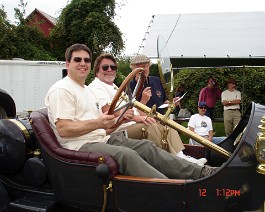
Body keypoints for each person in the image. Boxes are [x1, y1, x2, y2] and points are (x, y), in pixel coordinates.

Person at [45, 43, 216, 180]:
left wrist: (118, 121)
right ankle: (172, 190)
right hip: (79, 146)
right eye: (77, 60)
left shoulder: (87, 91)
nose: (83, 63)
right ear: (68, 63)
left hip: (103, 137)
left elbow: (104, 126)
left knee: (146, 147)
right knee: (127, 155)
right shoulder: (62, 89)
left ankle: (200, 173)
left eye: (86, 60)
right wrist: (100, 122)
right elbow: (64, 129)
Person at [87, 53, 207, 166]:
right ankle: (175, 163)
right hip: (117, 130)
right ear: (96, 71)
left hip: (133, 122)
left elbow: (130, 108)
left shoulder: (114, 87)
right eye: (105, 67)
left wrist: (168, 104)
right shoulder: (101, 87)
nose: (110, 70)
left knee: (168, 125)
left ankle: (181, 157)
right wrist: (138, 114)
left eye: (113, 67)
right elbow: (111, 110)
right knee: (151, 126)